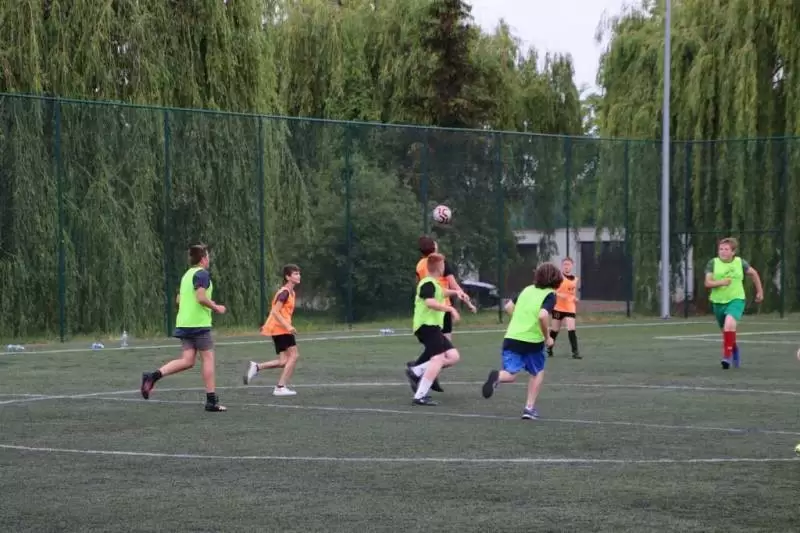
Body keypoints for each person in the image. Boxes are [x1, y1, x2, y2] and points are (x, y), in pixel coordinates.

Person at [140, 244, 228, 412]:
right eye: (208, 256)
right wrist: (216, 307)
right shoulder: (202, 274)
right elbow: (200, 297)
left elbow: (179, 299)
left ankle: (153, 376)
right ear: (203, 259)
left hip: (184, 323)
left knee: (187, 360)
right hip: (198, 324)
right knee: (208, 359)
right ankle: (211, 401)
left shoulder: (187, 275)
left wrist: (204, 303)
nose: (209, 259)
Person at [481, 263, 563, 420]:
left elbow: (508, 307)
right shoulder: (550, 295)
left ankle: (497, 377)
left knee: (510, 374)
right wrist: (548, 337)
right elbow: (542, 315)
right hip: (532, 340)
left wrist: (520, 320)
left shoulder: (527, 290)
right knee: (537, 372)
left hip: (512, 337)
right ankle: (529, 408)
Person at [407, 236, 475, 393]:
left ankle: (422, 372)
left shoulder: (420, 264)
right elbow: (453, 284)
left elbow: (421, 286)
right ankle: (419, 371)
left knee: (440, 348)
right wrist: (466, 301)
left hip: (427, 309)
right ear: (434, 246)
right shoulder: (439, 262)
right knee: (444, 351)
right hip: (441, 307)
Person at [404, 253, 462, 406]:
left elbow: (442, 292)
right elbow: (429, 302)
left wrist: (457, 292)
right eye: (444, 264)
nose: (445, 267)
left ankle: (416, 371)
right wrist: (450, 309)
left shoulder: (435, 284)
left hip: (433, 327)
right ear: (439, 267)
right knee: (438, 358)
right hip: (426, 326)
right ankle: (420, 396)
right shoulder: (427, 283)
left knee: (453, 356)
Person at [704, 237, 763, 369]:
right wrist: (721, 282)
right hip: (718, 302)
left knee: (729, 323)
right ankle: (734, 348)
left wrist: (760, 291)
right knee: (726, 330)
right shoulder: (713, 263)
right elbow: (707, 283)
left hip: (736, 299)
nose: (723, 252)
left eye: (726, 249)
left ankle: (727, 357)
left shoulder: (740, 262)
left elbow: (754, 274)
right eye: (721, 249)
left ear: (733, 252)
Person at [243, 264, 302, 396]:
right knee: (294, 355)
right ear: (288, 277)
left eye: (299, 273)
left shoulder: (291, 292)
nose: (298, 276)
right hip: (281, 329)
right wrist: (288, 326)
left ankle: (257, 367)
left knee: (283, 361)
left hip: (279, 329)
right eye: (295, 274)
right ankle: (280, 387)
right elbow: (275, 311)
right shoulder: (285, 292)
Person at [547, 257, 581, 359]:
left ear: (572, 266)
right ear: (562, 266)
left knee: (571, 328)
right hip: (558, 307)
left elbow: (571, 293)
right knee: (554, 330)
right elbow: (552, 291)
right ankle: (549, 349)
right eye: (565, 264)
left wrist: (574, 298)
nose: (566, 266)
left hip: (570, 307)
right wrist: (561, 295)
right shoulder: (558, 278)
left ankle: (575, 352)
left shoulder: (575, 279)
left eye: (568, 264)